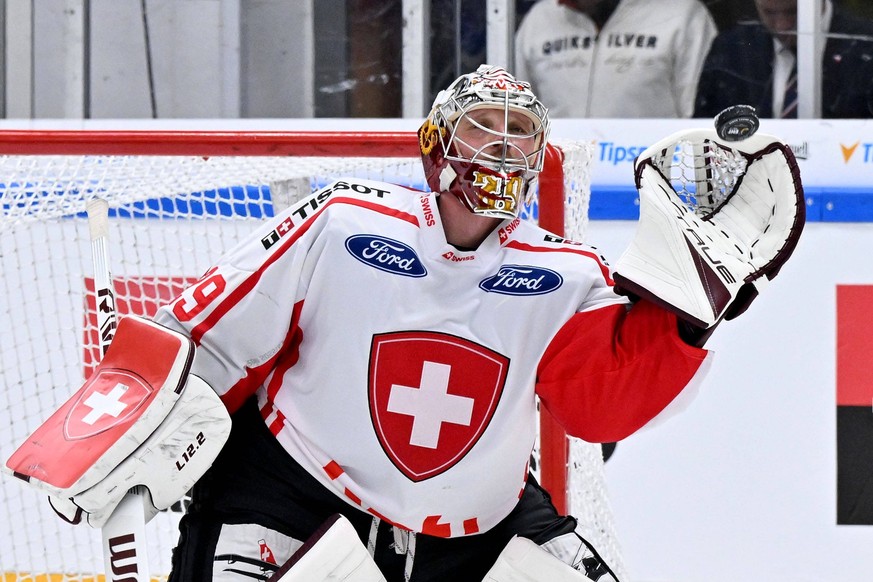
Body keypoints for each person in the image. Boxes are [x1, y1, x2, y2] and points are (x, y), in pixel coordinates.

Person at [19, 64, 800, 582]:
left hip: (470, 517)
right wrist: (117, 442)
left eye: (517, 130)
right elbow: (209, 334)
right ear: (433, 150)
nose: (499, 144)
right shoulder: (340, 222)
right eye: (479, 126)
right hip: (294, 481)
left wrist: (689, 312)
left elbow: (599, 407)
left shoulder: (568, 275)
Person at [514, 0, 718, 118]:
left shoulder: (682, 15)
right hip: (556, 177)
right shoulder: (539, 20)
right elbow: (517, 115)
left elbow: (696, 121)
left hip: (652, 177)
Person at [694, 0, 873, 118]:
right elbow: (704, 133)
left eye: (793, 12)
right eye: (769, 13)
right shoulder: (731, 50)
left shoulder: (866, 46)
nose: (782, 26)